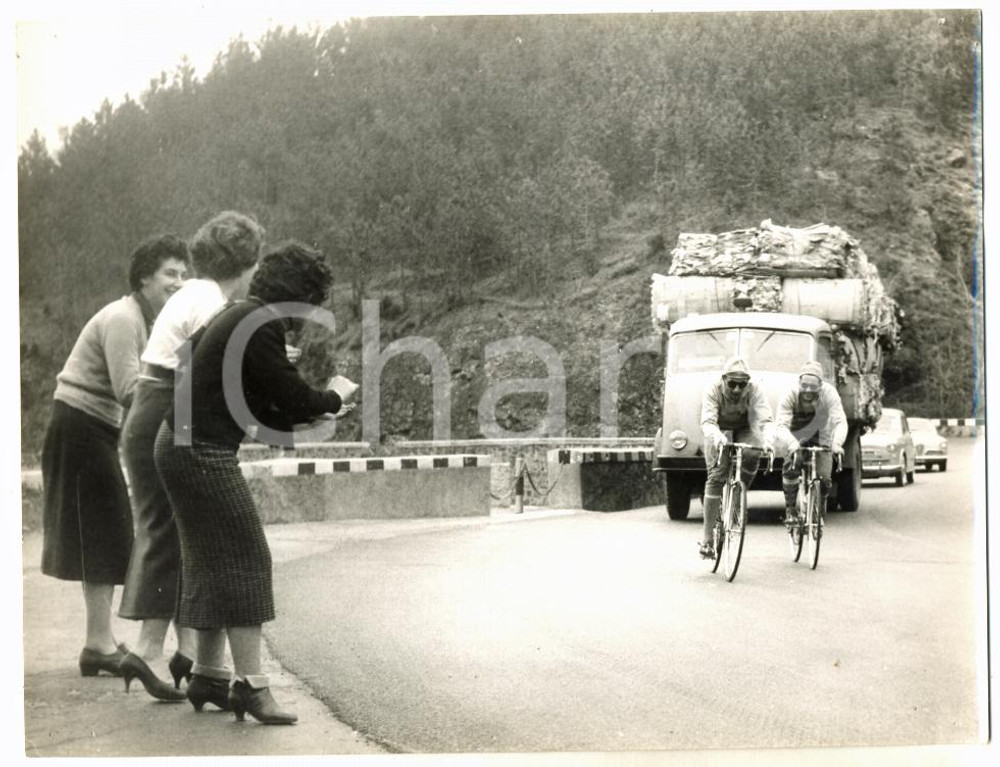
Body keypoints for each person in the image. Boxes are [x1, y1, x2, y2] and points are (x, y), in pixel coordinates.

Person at [155, 242, 358, 724]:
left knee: (208, 559)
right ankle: (252, 687)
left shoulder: (235, 314)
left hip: (176, 442)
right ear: (301, 297)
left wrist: (298, 416)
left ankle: (208, 675)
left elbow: (228, 387)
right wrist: (334, 396)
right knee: (247, 556)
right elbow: (291, 394)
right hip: (201, 450)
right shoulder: (261, 323)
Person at [117, 211, 266, 702]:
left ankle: (184, 656)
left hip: (155, 405)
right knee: (172, 533)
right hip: (164, 407)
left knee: (178, 533)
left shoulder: (196, 294)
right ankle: (147, 649)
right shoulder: (208, 300)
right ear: (245, 264)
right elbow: (213, 369)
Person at [40, 234, 190, 677]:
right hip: (79, 425)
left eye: (184, 274)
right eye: (169, 273)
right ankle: (98, 644)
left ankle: (98, 642)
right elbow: (131, 391)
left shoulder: (151, 319)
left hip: (95, 428)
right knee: (102, 532)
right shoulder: (125, 318)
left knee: (104, 533)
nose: (178, 283)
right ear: (144, 277)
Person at [698, 357, 774, 559]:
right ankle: (707, 539)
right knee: (717, 476)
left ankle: (740, 493)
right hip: (718, 428)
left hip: (745, 427)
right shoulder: (713, 389)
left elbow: (766, 419)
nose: (737, 389)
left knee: (753, 451)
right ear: (724, 380)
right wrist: (718, 438)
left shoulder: (755, 390)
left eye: (742, 384)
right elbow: (707, 422)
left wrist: (768, 440)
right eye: (732, 384)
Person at [774, 360, 848, 526]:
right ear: (799, 382)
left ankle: (819, 505)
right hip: (796, 433)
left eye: (812, 386)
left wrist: (837, 443)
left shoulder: (830, 394)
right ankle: (791, 509)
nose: (808, 390)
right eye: (804, 385)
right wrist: (792, 444)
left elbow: (840, 421)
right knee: (792, 465)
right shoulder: (790, 393)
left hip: (821, 434)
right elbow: (780, 425)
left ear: (821, 385)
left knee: (824, 477)